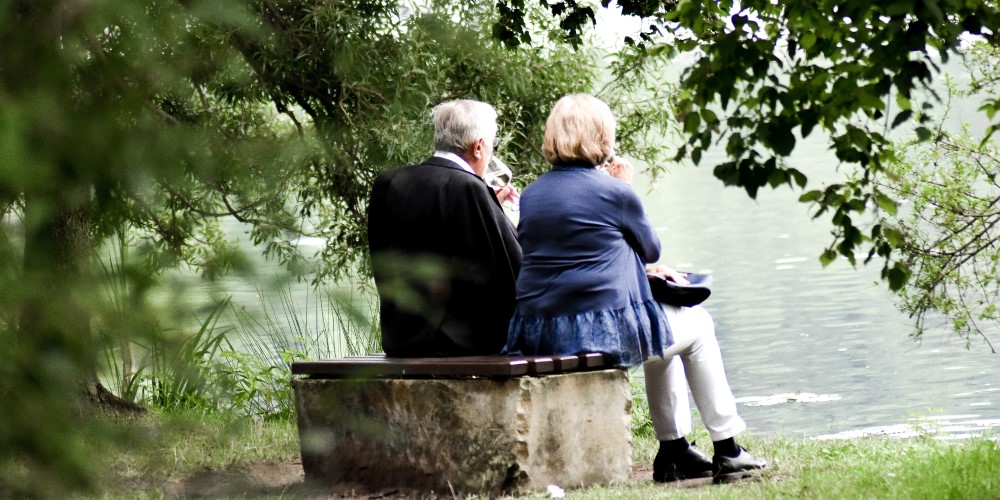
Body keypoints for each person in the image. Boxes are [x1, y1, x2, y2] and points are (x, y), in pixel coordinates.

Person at [502, 93, 765, 483]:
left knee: (665, 335)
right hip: (597, 333)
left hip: (541, 330)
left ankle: (674, 449)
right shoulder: (614, 191)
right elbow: (650, 248)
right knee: (699, 325)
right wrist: (625, 187)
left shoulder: (535, 194)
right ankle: (727, 447)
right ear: (601, 135)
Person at [367, 99, 521, 357]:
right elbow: (510, 270)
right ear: (479, 147)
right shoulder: (468, 188)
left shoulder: (388, 183)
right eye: (493, 144)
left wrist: (491, 204)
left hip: (400, 340)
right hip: (459, 345)